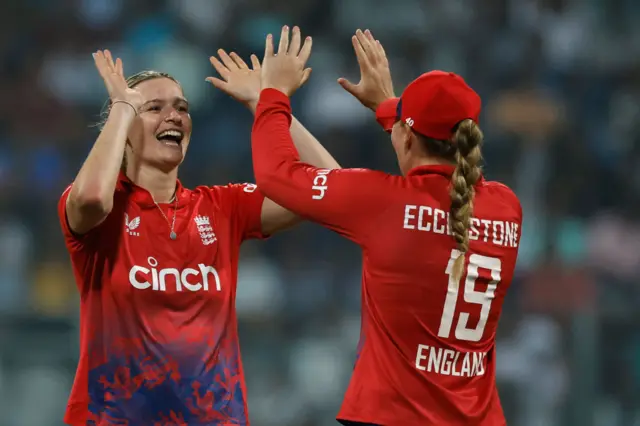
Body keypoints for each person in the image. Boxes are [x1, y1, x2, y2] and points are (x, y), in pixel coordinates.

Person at [251, 26, 522, 426]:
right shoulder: (507, 207)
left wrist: (272, 96)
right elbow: (437, 162)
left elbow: (277, 174)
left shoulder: (381, 201)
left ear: (407, 136)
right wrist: (390, 107)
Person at [58, 46, 338, 425]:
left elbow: (331, 190)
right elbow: (92, 197)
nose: (173, 115)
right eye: (154, 108)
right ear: (122, 130)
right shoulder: (101, 211)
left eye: (182, 107)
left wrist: (266, 103)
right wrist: (123, 106)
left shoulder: (222, 207)